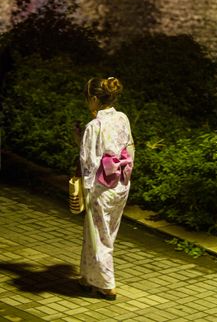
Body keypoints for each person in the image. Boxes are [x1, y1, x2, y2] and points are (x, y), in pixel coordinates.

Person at [78, 76, 134, 300]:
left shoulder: (94, 126)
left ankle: (107, 284)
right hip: (121, 182)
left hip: (101, 186)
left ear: (94, 99)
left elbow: (89, 162)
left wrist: (86, 190)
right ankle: (87, 276)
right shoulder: (122, 118)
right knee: (102, 232)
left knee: (100, 236)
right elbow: (130, 147)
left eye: (87, 99)